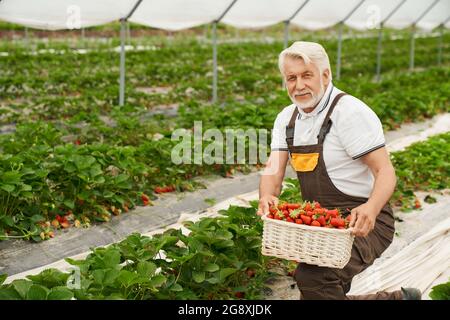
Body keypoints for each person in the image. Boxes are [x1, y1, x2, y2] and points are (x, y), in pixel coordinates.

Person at [257, 41, 421, 300]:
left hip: (364, 222)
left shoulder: (349, 113)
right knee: (318, 290)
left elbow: (385, 171)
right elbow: (273, 169)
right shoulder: (287, 119)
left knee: (315, 277)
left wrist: (371, 208)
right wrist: (267, 196)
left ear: (325, 75)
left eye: (306, 75)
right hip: (321, 224)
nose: (298, 85)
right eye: (291, 78)